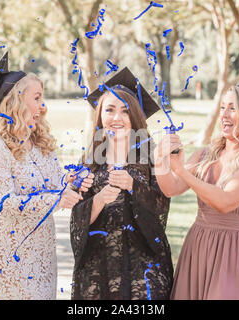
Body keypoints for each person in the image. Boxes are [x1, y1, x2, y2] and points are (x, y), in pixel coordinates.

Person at [154, 69, 239, 300]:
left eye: (232, 108)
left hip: (232, 252)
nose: (224, 114)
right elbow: (171, 188)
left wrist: (182, 171)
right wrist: (160, 159)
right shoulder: (207, 153)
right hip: (198, 245)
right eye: (223, 107)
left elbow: (225, 202)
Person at [0, 52, 93, 299]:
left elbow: (54, 184)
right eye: (37, 98)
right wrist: (56, 199)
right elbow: (3, 203)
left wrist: (71, 181)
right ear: (16, 101)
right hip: (12, 254)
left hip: (43, 252)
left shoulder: (40, 143)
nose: (43, 106)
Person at [70, 67, 174, 300]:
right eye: (109, 110)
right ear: (100, 116)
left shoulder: (151, 156)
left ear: (135, 117)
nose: (116, 118)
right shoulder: (89, 160)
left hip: (143, 264)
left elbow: (161, 209)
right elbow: (76, 217)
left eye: (125, 112)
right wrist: (98, 200)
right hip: (98, 264)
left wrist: (132, 186)